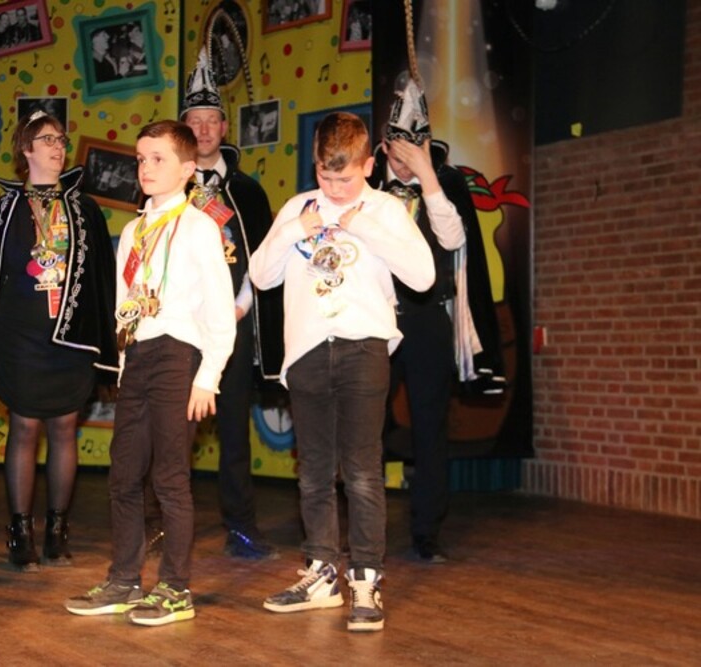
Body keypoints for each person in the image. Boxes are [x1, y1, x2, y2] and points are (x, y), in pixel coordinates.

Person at [249, 112, 434, 632]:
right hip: (307, 352)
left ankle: (366, 578)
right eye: (326, 177)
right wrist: (294, 230)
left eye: (345, 178)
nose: (334, 189)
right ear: (315, 166)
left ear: (369, 165)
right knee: (313, 472)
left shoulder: (386, 209)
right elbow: (261, 275)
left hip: (363, 349)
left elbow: (423, 276)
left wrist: (365, 226)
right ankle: (321, 574)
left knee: (362, 471)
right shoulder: (297, 207)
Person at [64, 120, 235, 626]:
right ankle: (123, 579)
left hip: (178, 356)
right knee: (123, 475)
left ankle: (176, 588)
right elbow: (125, 304)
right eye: (141, 159)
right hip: (137, 357)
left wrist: (208, 376)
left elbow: (220, 309)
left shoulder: (200, 226)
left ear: (187, 169)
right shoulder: (134, 231)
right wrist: (123, 364)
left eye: (158, 159)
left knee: (169, 479)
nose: (146, 168)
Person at [369, 79, 506, 563]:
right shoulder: (364, 184)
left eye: (417, 149)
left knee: (430, 425)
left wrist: (427, 176)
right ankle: (363, 530)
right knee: (366, 426)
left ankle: (427, 532)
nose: (406, 159)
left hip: (427, 317)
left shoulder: (444, 183)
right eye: (400, 150)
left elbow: (454, 242)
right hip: (375, 319)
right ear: (384, 145)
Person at [0, 111, 117, 570]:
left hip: (70, 340)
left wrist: (104, 346)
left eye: (61, 139)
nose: (58, 147)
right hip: (20, 338)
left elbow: (102, 281)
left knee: (63, 429)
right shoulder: (3, 211)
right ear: (26, 150)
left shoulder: (85, 209)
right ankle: (20, 533)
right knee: (23, 428)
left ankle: (57, 531)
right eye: (47, 140)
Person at [181, 47, 284, 560]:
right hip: (182, 326)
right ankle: (164, 525)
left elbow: (261, 260)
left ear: (223, 127)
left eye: (210, 121)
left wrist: (239, 307)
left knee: (233, 429)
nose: (203, 130)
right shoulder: (166, 189)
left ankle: (241, 526)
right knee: (174, 430)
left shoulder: (249, 191)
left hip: (235, 323)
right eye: (194, 121)